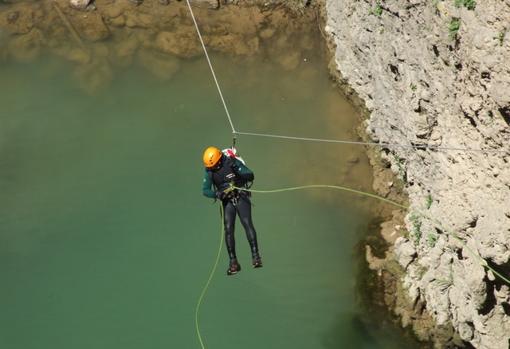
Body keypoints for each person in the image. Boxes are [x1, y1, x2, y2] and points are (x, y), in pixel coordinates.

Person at [202, 146, 262, 275]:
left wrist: (236, 167)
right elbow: (205, 190)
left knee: (247, 223)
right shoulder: (209, 170)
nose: (211, 169)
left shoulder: (231, 162)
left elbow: (250, 175)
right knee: (228, 228)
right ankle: (233, 262)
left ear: (218, 160)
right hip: (226, 200)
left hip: (241, 194)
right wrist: (217, 194)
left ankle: (256, 256)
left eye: (212, 166)